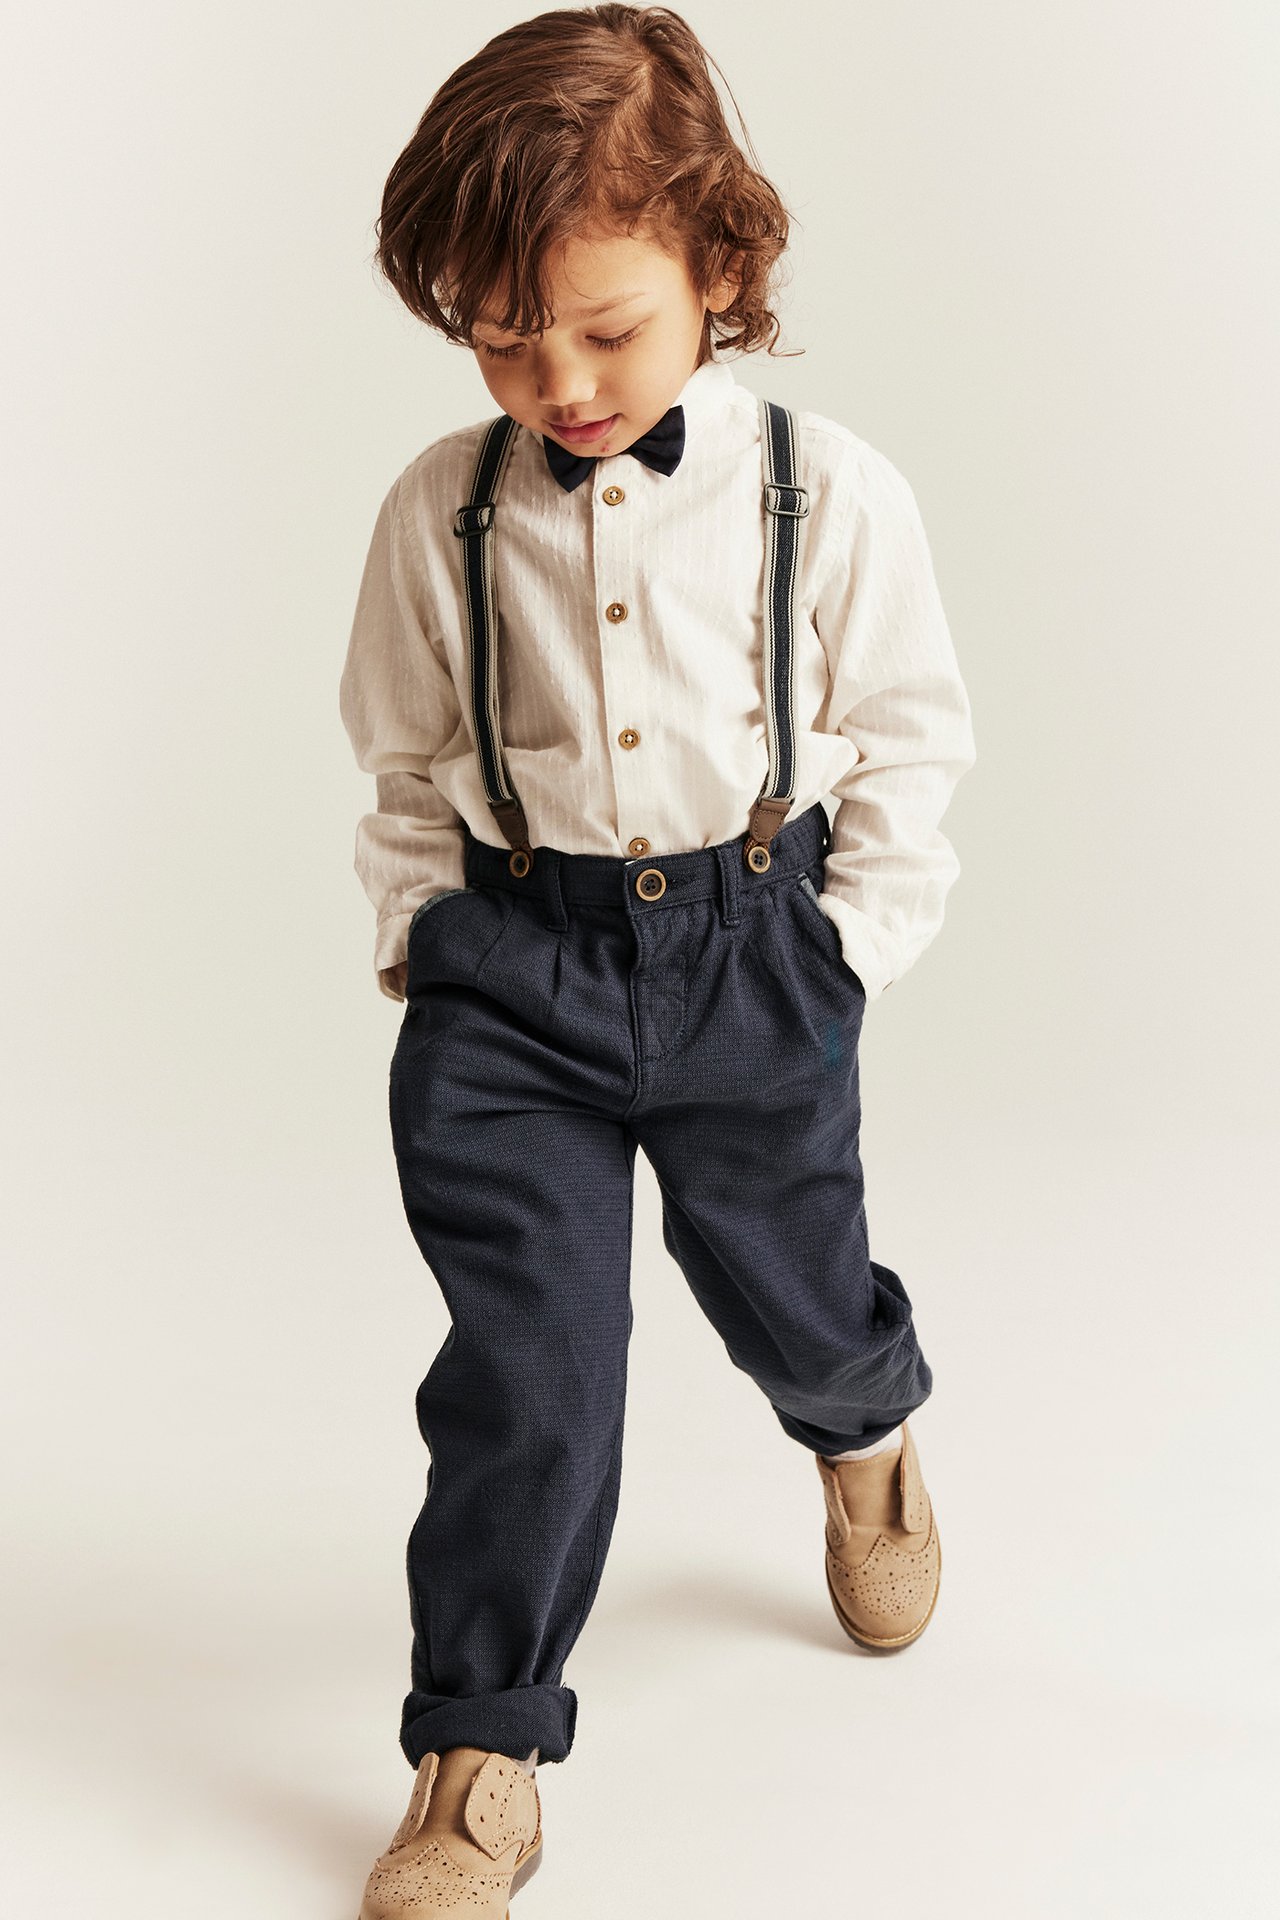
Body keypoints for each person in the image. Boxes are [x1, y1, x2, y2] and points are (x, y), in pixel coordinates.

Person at [338, 6, 977, 1914]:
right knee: (530, 1371)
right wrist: (428, 946)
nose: (559, 379)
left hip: (750, 952)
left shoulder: (827, 492)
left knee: (791, 1289)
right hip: (513, 984)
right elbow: (402, 761)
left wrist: (842, 953)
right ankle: (480, 1743)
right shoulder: (442, 509)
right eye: (501, 336)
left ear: (719, 260)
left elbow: (911, 737)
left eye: (605, 328)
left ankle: (864, 1429)